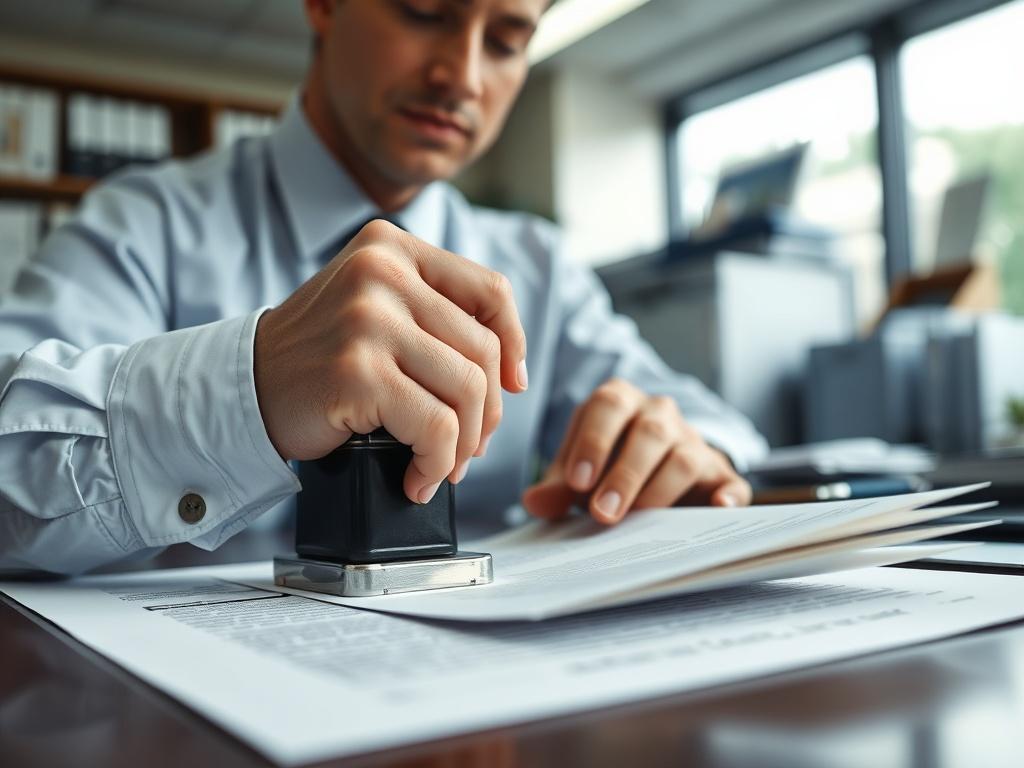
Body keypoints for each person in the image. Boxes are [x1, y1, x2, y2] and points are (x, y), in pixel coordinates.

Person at [0, 0, 766, 576]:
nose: (462, 76)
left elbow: (714, 426)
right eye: (425, 11)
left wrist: (677, 451)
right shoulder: (143, 223)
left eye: (506, 40)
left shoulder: (538, 266)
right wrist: (251, 392)